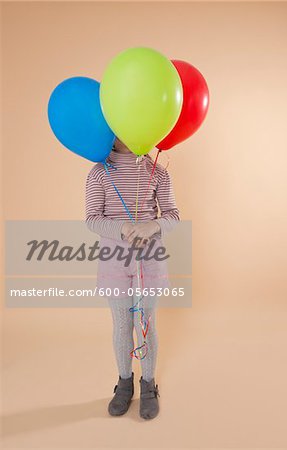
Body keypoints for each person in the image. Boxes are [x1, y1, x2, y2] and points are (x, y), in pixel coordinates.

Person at [85, 138, 180, 420]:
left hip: (150, 260)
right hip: (114, 260)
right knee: (123, 324)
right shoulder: (99, 172)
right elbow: (92, 218)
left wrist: (153, 226)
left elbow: (173, 215)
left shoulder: (158, 172)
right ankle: (124, 383)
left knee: (146, 323)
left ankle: (148, 384)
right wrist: (124, 228)